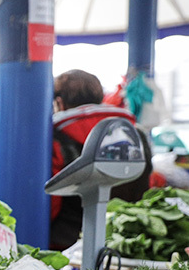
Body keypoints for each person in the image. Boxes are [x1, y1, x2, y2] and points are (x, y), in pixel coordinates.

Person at [49, 69, 152, 251]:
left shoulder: (57, 137)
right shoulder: (134, 133)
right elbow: (144, 187)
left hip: (66, 243)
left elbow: (52, 203)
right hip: (123, 239)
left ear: (59, 102)